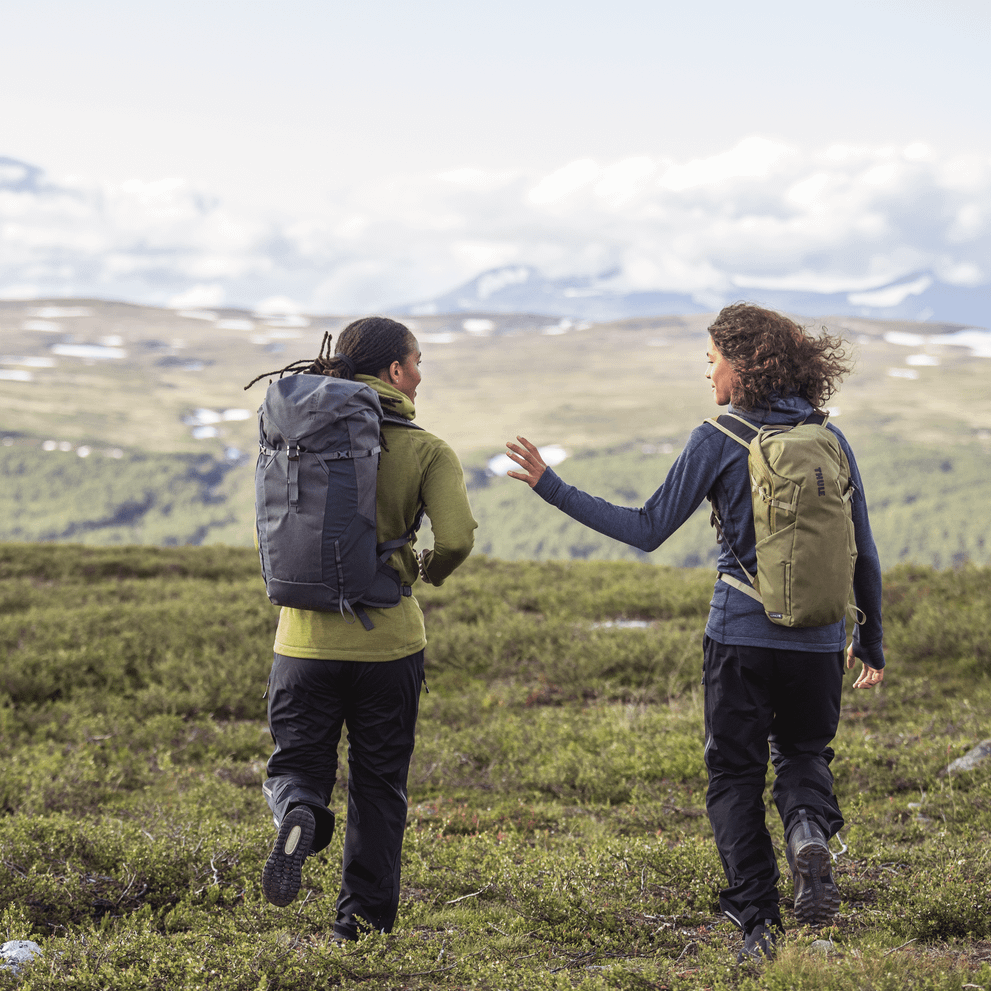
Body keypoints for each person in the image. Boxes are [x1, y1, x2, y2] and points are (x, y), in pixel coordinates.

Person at [506, 303, 885, 963]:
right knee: (802, 755)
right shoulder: (827, 436)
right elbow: (863, 550)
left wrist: (550, 486)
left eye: (710, 359)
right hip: (821, 640)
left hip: (740, 635)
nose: (705, 371)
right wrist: (870, 639)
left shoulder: (717, 436)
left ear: (739, 366)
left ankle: (757, 924)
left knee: (733, 775)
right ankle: (804, 830)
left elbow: (647, 528)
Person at [252, 317, 477, 942]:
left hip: (300, 642)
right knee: (380, 787)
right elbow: (456, 537)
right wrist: (424, 570)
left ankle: (300, 811)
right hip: (389, 645)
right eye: (418, 361)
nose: (421, 373)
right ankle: (362, 924)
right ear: (397, 371)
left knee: (297, 764)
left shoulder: (295, 433)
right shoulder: (426, 447)